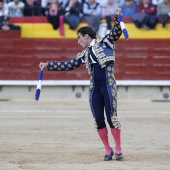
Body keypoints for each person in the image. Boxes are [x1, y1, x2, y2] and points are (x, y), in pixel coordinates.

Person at [39, 7, 124, 161]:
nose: (78, 41)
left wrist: (118, 18)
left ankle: (118, 149)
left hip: (108, 87)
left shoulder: (106, 43)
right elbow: (68, 65)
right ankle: (107, 149)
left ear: (86, 36)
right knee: (98, 120)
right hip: (95, 90)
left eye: (79, 38)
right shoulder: (84, 55)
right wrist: (48, 65)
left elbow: (117, 31)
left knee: (112, 118)